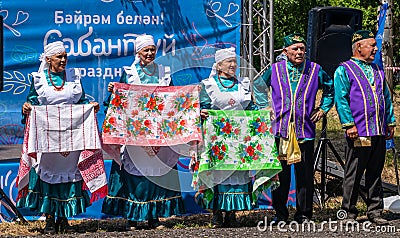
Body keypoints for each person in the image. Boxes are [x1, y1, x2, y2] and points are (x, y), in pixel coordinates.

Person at [17, 41, 102, 234]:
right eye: (59, 57)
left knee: (68, 177)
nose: (63, 60)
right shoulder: (38, 79)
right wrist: (27, 108)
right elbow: (32, 101)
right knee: (48, 175)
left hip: (71, 138)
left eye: (65, 56)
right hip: (48, 138)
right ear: (48, 59)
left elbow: (80, 101)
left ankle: (64, 219)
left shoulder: (73, 78)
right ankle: (49, 220)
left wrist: (90, 106)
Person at [101, 34, 185, 230]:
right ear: (138, 53)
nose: (149, 53)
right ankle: (134, 217)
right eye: (145, 50)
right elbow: (117, 101)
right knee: (136, 175)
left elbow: (172, 98)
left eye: (152, 50)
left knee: (156, 174)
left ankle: (154, 217)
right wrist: (114, 90)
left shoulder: (164, 73)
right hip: (135, 133)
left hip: (159, 133)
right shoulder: (129, 74)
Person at [254, 33, 334, 224]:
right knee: (280, 176)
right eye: (295, 49)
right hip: (280, 131)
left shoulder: (315, 70)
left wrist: (323, 109)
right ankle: (280, 215)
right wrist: (264, 106)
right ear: (285, 51)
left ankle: (304, 215)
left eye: (302, 49)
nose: (299, 52)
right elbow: (257, 86)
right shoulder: (275, 70)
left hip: (304, 130)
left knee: (305, 175)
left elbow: (330, 89)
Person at [334, 30, 396, 225]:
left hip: (378, 128)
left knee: (375, 172)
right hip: (358, 131)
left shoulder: (377, 69)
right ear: (358, 46)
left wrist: (390, 121)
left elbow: (386, 97)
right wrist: (349, 124)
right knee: (354, 172)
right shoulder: (344, 70)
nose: (375, 48)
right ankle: (348, 212)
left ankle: (375, 211)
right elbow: (341, 99)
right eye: (371, 45)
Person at [196, 47, 260, 228]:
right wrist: (201, 112)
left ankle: (232, 214)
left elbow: (251, 108)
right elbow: (201, 107)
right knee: (218, 173)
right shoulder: (208, 85)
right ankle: (216, 213)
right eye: (229, 62)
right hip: (217, 139)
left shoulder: (243, 84)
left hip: (239, 138)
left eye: (235, 61)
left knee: (237, 173)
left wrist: (261, 115)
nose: (233, 65)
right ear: (218, 65)